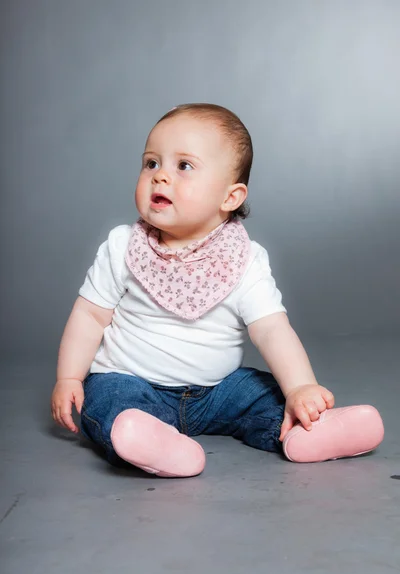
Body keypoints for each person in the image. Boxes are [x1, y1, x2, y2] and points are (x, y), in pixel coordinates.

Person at [51, 103, 384, 477]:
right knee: (107, 400)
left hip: (217, 392)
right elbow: (90, 315)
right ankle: (151, 443)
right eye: (151, 163)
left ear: (230, 197)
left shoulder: (243, 259)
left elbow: (272, 329)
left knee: (262, 391)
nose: (160, 177)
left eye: (184, 166)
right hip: (132, 382)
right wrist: (70, 377)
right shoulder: (123, 246)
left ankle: (305, 432)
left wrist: (301, 387)